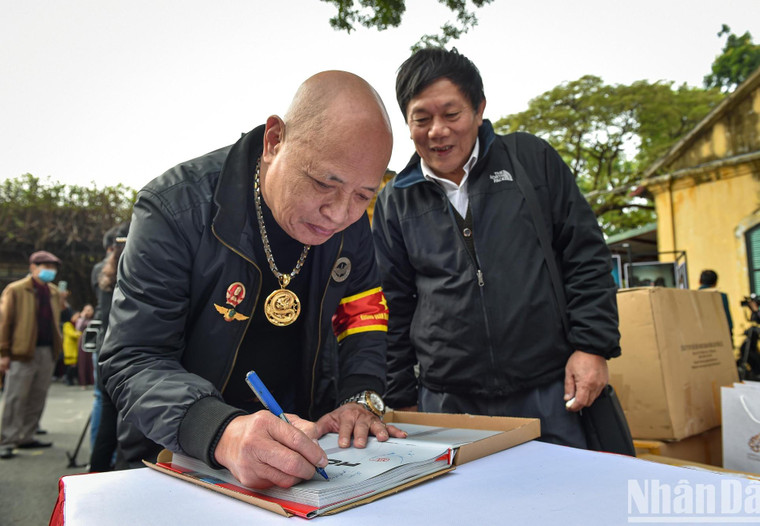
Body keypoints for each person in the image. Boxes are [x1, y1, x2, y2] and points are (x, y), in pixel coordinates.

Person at [99, 70, 405, 486]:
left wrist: (360, 397)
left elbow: (364, 316)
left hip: (301, 455)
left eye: (364, 195)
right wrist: (219, 430)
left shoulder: (351, 227)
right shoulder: (174, 210)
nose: (338, 213)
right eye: (323, 183)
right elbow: (133, 358)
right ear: (274, 140)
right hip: (177, 454)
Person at [372, 48, 621, 448]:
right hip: (446, 402)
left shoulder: (530, 161)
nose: (438, 131)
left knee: (565, 502)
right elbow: (391, 305)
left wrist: (592, 347)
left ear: (479, 109)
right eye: (422, 118)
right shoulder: (395, 202)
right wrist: (401, 398)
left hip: (549, 390)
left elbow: (586, 255)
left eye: (451, 114)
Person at [0, 250, 64, 459]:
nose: (49, 270)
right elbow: (5, 322)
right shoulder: (16, 289)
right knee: (16, 397)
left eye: (52, 267)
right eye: (45, 266)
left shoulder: (53, 292)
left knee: (38, 395)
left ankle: (26, 435)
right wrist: (4, 352)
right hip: (22, 351)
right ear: (33, 267)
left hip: (47, 350)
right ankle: (7, 439)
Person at [89, 224, 128, 472]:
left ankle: (97, 469)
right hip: (125, 351)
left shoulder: (100, 270)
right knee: (125, 419)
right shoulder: (137, 265)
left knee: (104, 410)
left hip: (104, 348)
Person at [698, 269, 733, 342]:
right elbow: (727, 320)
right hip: (720, 338)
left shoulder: (692, 296)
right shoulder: (721, 296)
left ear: (699, 281)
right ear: (715, 283)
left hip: (699, 338)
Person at [76, 304, 94, 388]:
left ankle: (92, 381)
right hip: (83, 342)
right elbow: (78, 328)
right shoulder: (80, 320)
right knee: (82, 362)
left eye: (90, 310)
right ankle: (83, 382)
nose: (88, 312)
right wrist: (83, 317)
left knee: (91, 362)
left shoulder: (94, 319)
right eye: (86, 310)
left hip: (93, 342)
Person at [61, 311, 81, 386]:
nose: (77, 318)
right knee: (70, 365)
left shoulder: (75, 325)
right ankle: (68, 379)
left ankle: (70, 380)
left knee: (73, 365)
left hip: (74, 349)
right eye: (76, 316)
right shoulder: (67, 325)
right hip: (69, 349)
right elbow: (72, 334)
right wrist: (81, 333)